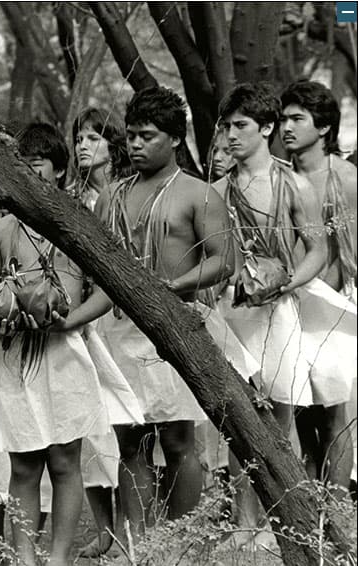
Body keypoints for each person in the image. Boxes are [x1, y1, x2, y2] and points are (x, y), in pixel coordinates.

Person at [94, 86, 257, 542]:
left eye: (147, 136)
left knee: (177, 440)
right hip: (120, 328)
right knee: (130, 441)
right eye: (130, 136)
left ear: (173, 138)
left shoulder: (197, 194)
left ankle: (182, 541)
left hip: (177, 325)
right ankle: (142, 543)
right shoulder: (112, 196)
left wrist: (174, 287)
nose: (136, 145)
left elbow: (225, 260)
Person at [0, 122, 121, 566]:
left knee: (63, 461)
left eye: (37, 165)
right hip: (16, 355)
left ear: (58, 170)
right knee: (22, 464)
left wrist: (68, 322)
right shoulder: (0, 230)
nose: (28, 174)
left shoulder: (79, 221)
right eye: (20, 166)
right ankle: (24, 556)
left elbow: (110, 287)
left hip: (65, 352)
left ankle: (57, 558)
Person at [212, 82, 331, 547]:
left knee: (280, 419)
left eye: (241, 126)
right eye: (226, 126)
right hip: (232, 310)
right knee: (239, 417)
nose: (231, 136)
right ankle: (245, 524)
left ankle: (282, 523)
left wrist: (286, 282)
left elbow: (318, 249)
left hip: (279, 309)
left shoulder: (295, 184)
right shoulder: (215, 191)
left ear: (266, 128)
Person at [279, 80, 356, 491]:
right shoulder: (278, 179)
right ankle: (312, 499)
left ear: (324, 128)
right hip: (288, 307)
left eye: (298, 119)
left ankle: (340, 506)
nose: (287, 127)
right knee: (301, 411)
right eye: (283, 119)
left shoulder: (345, 179)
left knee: (333, 410)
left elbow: (351, 251)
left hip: (333, 308)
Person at [70, 107, 134, 558]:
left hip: (125, 322)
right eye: (78, 139)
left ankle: (134, 525)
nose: (82, 146)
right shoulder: (69, 199)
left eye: (93, 137)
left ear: (114, 144)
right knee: (93, 429)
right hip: (84, 321)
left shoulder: (126, 194)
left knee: (130, 426)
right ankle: (104, 527)